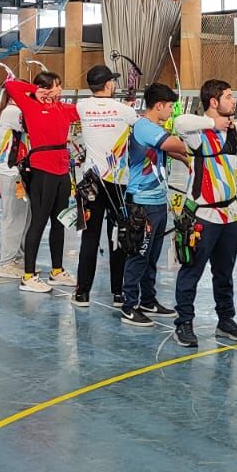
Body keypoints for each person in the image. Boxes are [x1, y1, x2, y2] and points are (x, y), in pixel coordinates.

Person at [170, 79, 237, 348]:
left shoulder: (234, 131)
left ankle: (225, 320)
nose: (234, 101)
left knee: (225, 272)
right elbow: (179, 123)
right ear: (214, 101)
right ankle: (184, 322)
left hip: (230, 215)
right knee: (192, 270)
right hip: (202, 216)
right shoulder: (198, 133)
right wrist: (213, 124)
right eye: (229, 97)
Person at [117, 83, 195, 325]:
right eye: (170, 107)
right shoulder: (144, 126)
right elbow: (171, 143)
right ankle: (129, 305)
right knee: (139, 254)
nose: (171, 111)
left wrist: (186, 159)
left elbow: (168, 150)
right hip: (142, 202)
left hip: (158, 201)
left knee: (152, 256)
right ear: (159, 105)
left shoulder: (154, 129)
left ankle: (148, 300)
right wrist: (201, 145)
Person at [2, 70, 81, 294]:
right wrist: (37, 91)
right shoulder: (30, 106)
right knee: (39, 221)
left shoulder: (62, 108)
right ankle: (28, 275)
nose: (59, 89)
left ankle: (57, 270)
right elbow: (11, 85)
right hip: (41, 169)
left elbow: (84, 111)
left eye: (59, 85)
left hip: (62, 168)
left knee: (59, 221)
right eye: (54, 85)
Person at [73, 63, 136, 306]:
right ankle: (119, 293)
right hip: (117, 182)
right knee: (118, 235)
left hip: (91, 181)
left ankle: (83, 292)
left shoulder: (82, 106)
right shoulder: (124, 110)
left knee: (90, 236)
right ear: (108, 84)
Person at [0, 85, 29, 280]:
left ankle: (19, 259)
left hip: (19, 171)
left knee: (23, 219)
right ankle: (6, 263)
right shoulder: (13, 111)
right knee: (13, 219)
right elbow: (33, 125)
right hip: (11, 171)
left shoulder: (15, 110)